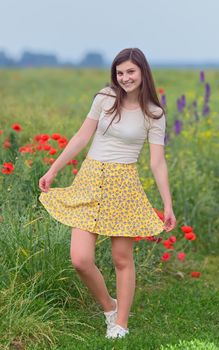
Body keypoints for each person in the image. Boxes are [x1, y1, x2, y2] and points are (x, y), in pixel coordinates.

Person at [38, 47, 176, 339]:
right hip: (90, 178)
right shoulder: (105, 98)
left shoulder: (154, 113)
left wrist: (167, 204)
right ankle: (109, 306)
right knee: (80, 259)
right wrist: (52, 170)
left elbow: (157, 161)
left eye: (131, 72)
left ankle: (121, 323)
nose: (125, 78)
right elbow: (81, 137)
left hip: (123, 184)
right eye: (120, 72)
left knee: (121, 258)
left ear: (142, 73)